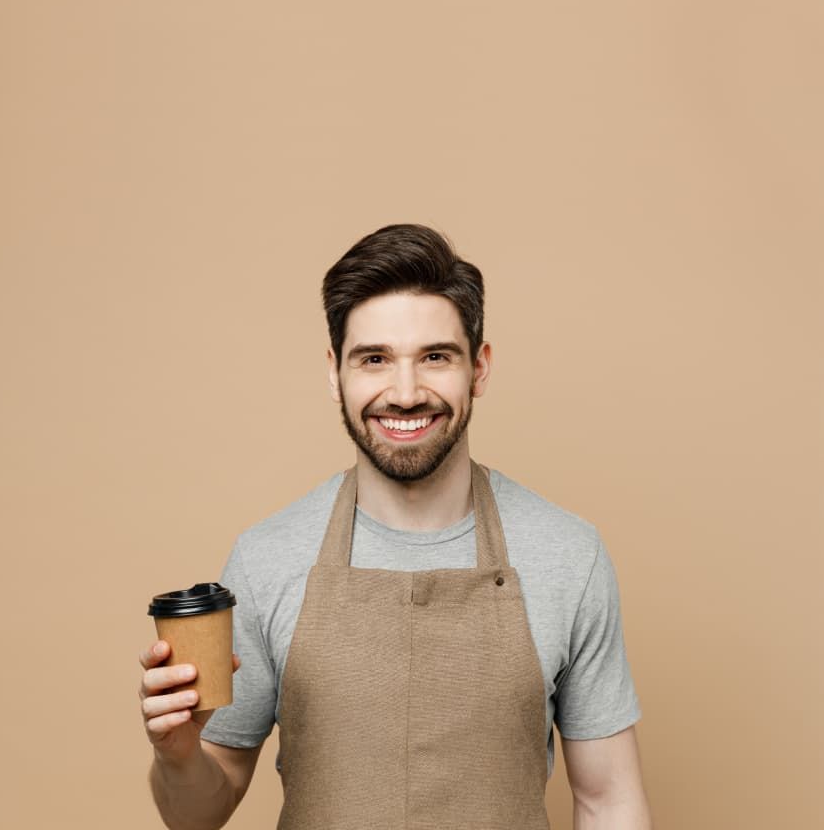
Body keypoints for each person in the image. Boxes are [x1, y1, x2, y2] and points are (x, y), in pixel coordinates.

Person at [139, 223, 653, 829]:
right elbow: (198, 814)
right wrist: (176, 757)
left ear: (479, 369)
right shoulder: (266, 559)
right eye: (375, 359)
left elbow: (607, 801)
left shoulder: (569, 555)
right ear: (336, 373)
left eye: (436, 357)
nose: (405, 393)